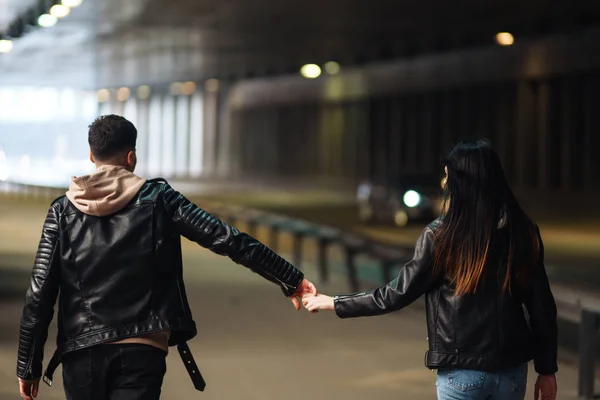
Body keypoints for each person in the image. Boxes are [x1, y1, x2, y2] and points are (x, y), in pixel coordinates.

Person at [16, 114, 317, 400]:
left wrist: (28, 365)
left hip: (81, 352)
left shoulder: (61, 211)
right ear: (131, 157)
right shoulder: (160, 199)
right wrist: (289, 278)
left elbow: (40, 291)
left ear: (91, 156)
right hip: (142, 349)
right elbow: (225, 238)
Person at [303, 139, 558, 400]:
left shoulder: (440, 236)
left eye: (448, 177)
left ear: (461, 182)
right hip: (510, 373)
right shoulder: (524, 232)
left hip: (461, 373)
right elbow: (542, 306)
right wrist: (547, 370)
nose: (445, 184)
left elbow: (397, 294)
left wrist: (335, 302)